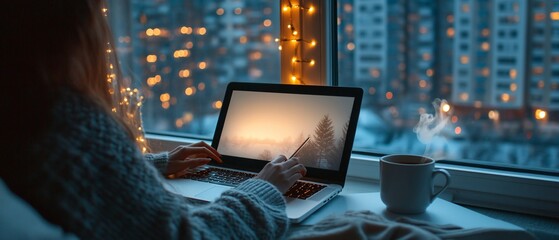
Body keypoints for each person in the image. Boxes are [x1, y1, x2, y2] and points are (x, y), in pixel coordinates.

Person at [1, 1, 306, 239]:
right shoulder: (67, 123)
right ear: (76, 32)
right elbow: (196, 236)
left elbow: (85, 182)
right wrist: (263, 187)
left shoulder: (19, 114)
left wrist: (157, 164)